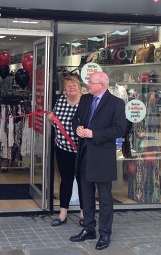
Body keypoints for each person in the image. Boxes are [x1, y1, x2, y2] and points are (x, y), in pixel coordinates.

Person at [70, 72, 125, 251]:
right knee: (86, 195)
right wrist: (77, 127)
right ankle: (88, 228)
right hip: (85, 154)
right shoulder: (86, 99)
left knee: (104, 198)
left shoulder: (116, 103)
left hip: (102, 157)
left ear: (102, 85)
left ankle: (105, 233)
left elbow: (119, 129)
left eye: (91, 83)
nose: (88, 85)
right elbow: (76, 118)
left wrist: (95, 134)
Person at [47, 75, 84, 226]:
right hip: (63, 148)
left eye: (74, 84)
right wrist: (50, 120)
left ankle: (84, 213)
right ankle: (63, 213)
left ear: (80, 86)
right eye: (68, 85)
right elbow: (55, 124)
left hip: (82, 149)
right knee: (66, 181)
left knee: (83, 182)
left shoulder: (86, 101)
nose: (71, 87)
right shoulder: (61, 101)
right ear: (64, 89)